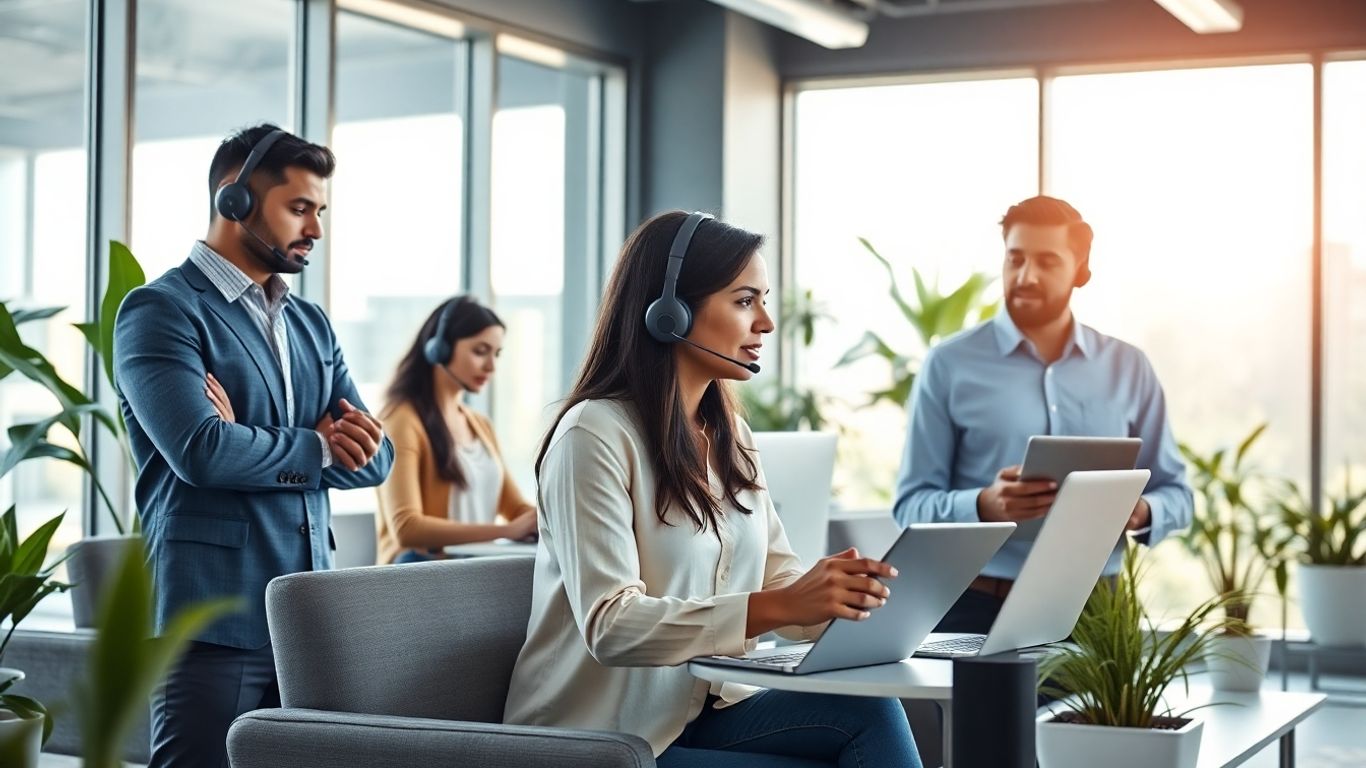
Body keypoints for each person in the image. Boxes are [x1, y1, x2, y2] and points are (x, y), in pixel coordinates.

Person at [503, 211, 921, 768]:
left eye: (763, 300)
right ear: (669, 314)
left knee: (871, 712)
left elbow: (778, 581)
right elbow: (611, 625)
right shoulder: (593, 434)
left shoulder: (731, 436)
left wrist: (848, 604)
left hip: (703, 713)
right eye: (745, 301)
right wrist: (782, 604)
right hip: (603, 739)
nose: (766, 323)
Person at [114, 123, 394, 767]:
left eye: (320, 211)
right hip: (213, 618)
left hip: (308, 618)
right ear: (233, 199)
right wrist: (317, 448)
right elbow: (202, 451)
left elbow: (376, 459)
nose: (315, 228)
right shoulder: (162, 310)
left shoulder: (310, 323)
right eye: (299, 208)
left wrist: (252, 438)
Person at [893, 195, 1193, 634]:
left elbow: (1179, 496)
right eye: (1015, 259)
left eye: (1047, 262)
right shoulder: (948, 365)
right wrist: (983, 505)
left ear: (1080, 269)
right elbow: (910, 505)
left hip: (1100, 612)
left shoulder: (1129, 367)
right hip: (976, 605)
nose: (1026, 276)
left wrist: (1142, 511)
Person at [375, 295, 538, 564]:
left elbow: (515, 508)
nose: (491, 366)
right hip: (420, 570)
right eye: (480, 351)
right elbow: (406, 528)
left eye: (496, 354)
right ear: (440, 349)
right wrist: (506, 531)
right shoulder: (401, 420)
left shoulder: (480, 425)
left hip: (470, 569)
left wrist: (546, 520)